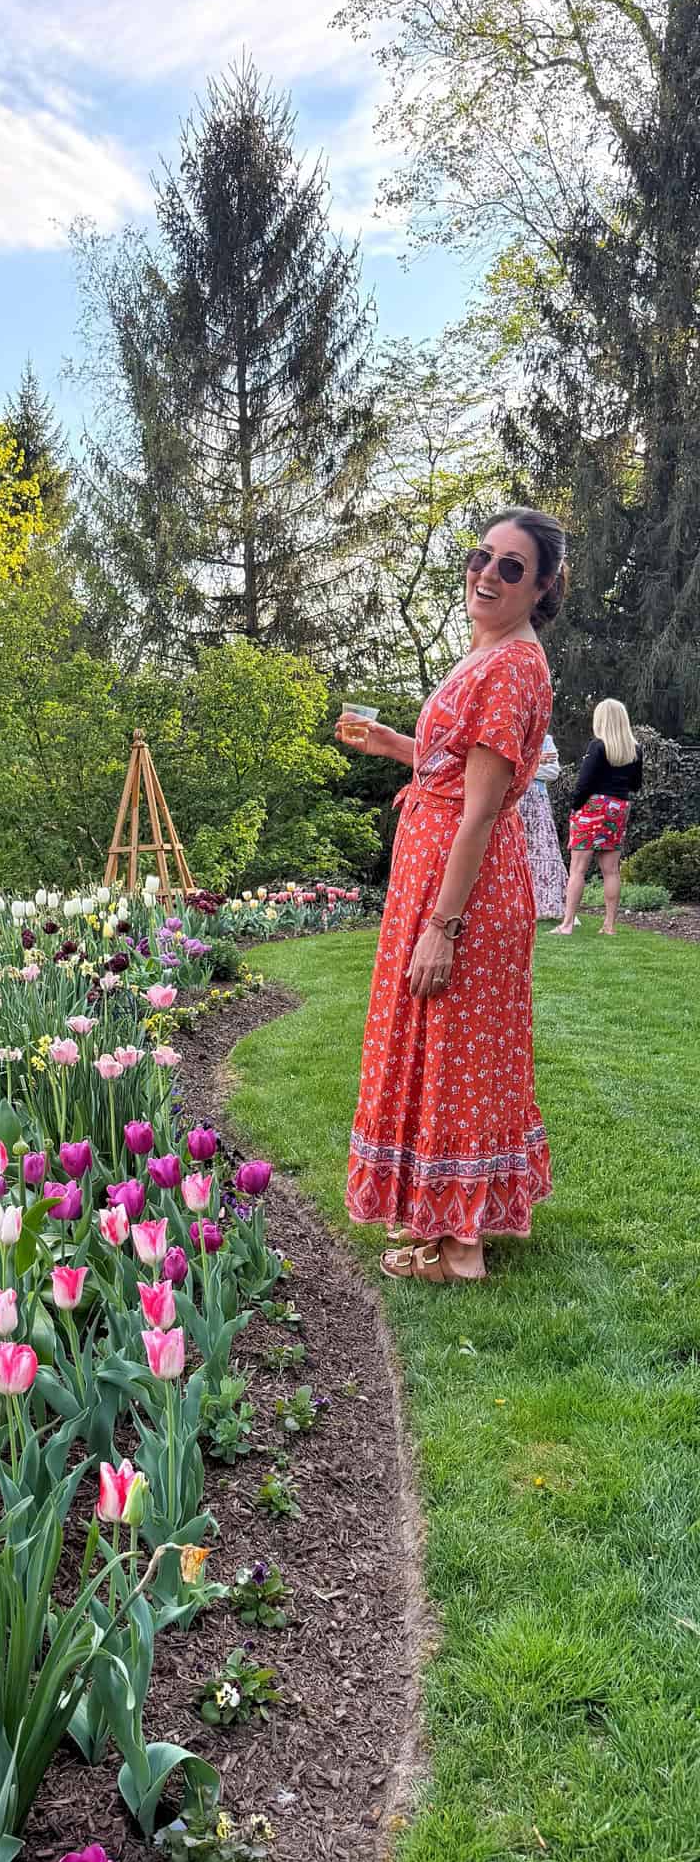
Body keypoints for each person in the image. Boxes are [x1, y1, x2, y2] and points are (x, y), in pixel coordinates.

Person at [335, 507, 561, 1285]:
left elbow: (483, 809)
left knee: (455, 1052)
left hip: (463, 884)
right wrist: (397, 746)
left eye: (510, 567)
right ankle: (444, 1224)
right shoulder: (491, 651)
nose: (487, 574)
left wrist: (443, 927)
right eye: (482, 556)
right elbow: (460, 767)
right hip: (439, 867)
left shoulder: (512, 669)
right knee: (442, 1049)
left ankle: (460, 1248)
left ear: (541, 586)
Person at [553, 699, 643, 936]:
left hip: (593, 806)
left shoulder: (598, 746)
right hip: (619, 807)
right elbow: (635, 784)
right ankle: (610, 926)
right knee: (611, 870)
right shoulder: (635, 750)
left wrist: (575, 807)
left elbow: (585, 782)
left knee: (578, 869)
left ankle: (568, 924)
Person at [518, 731, 569, 920]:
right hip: (513, 801)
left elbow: (553, 772)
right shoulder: (512, 736)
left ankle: (545, 906)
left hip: (537, 803)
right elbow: (507, 767)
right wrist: (535, 761)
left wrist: (525, 764)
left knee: (542, 850)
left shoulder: (545, 739)